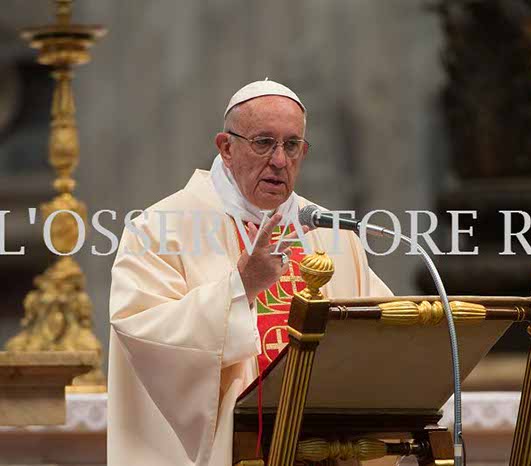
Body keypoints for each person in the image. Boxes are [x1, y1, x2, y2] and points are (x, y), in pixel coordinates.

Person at [107, 80, 392, 466]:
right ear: (226, 147)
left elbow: (379, 331)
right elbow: (140, 330)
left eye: (292, 145)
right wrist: (240, 287)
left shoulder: (329, 231)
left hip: (326, 446)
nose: (279, 160)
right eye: (263, 143)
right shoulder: (160, 228)